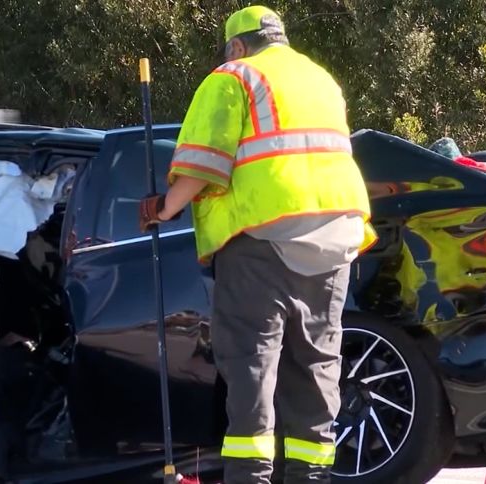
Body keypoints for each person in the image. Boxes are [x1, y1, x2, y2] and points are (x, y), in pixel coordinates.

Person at [138, 5, 377, 484]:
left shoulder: (234, 76)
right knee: (315, 367)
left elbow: (204, 162)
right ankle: (311, 477)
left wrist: (165, 207)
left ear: (237, 46)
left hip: (263, 237)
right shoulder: (321, 79)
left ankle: (250, 476)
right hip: (337, 237)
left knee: (251, 367)